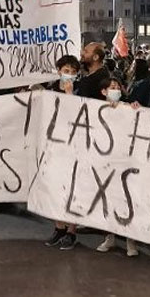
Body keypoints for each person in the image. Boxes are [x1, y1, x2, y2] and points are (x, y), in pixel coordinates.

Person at [43, 55, 85, 251]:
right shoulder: (50, 90)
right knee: (54, 188)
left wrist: (70, 95)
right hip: (54, 145)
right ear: (59, 70)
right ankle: (58, 227)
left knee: (72, 188)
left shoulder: (80, 90)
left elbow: (80, 116)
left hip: (73, 146)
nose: (69, 75)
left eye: (73, 72)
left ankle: (71, 231)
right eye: (66, 71)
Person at [95, 77, 140, 257]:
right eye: (111, 87)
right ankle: (110, 236)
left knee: (127, 199)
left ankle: (130, 240)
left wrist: (135, 110)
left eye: (117, 87)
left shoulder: (128, 107)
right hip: (106, 161)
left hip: (125, 160)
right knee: (108, 199)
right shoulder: (95, 108)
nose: (115, 90)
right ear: (103, 92)